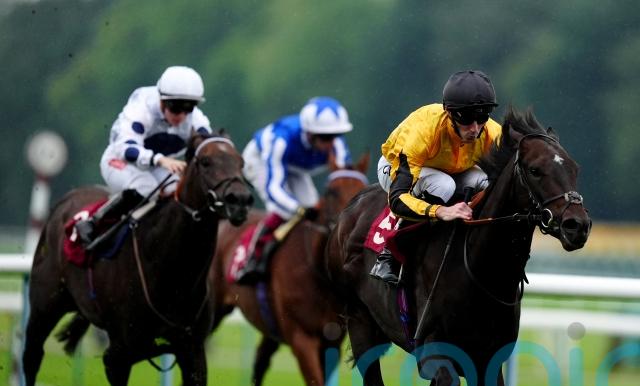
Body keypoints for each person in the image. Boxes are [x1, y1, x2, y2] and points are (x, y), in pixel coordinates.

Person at [370, 70, 502, 284]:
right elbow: (397, 199)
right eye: (467, 119)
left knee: (485, 182)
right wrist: (441, 211)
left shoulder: (493, 133)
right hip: (395, 168)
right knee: (443, 185)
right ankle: (389, 255)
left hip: (450, 170)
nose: (475, 129)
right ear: (449, 113)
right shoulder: (424, 131)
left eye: (482, 118)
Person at [75, 65, 212, 245]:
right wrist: (159, 159)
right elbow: (126, 147)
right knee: (146, 187)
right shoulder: (142, 108)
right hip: (120, 161)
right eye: (176, 107)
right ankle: (93, 222)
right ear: (162, 100)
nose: (181, 115)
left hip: (156, 165)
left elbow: (209, 144)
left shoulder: (195, 119)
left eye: (189, 108)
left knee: (177, 191)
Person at [237, 96, 354, 282]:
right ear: (310, 134)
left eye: (336, 135)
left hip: (294, 167)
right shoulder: (281, 141)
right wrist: (297, 209)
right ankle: (252, 256)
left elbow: (343, 181)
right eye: (325, 137)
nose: (332, 143)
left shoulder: (336, 144)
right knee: (283, 211)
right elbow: (274, 188)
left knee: (313, 210)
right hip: (258, 161)